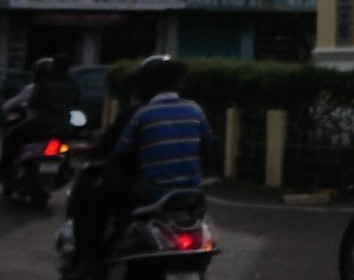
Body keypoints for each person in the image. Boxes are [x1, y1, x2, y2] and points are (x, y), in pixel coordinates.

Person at [71, 56, 212, 278]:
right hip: (191, 194)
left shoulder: (140, 113)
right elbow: (208, 147)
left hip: (151, 191)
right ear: (179, 83)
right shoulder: (195, 110)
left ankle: (89, 260)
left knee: (99, 200)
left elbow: (117, 153)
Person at [1, 53, 80, 194]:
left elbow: (33, 103)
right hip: (63, 127)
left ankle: (4, 172)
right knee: (66, 150)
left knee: (11, 136)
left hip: (40, 125)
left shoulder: (44, 83)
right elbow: (76, 103)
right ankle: (66, 168)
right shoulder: (73, 85)